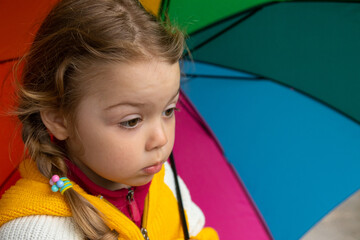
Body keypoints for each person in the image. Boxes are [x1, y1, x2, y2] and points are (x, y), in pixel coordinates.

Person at [0, 0, 219, 239]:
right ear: (59, 119)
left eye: (168, 110)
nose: (161, 139)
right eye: (132, 121)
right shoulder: (36, 231)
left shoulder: (165, 180)